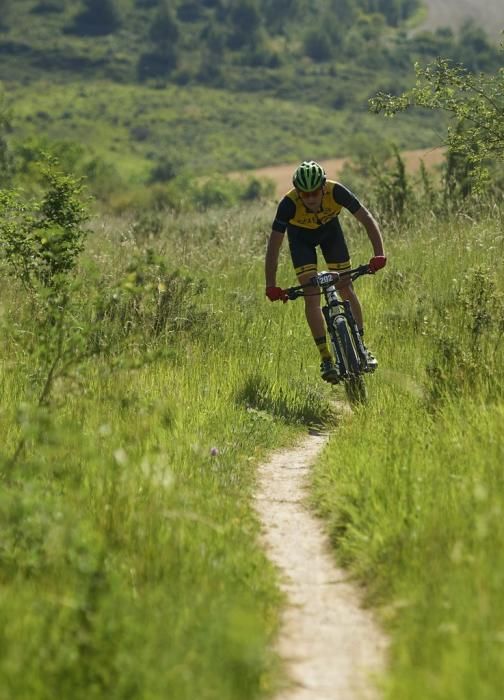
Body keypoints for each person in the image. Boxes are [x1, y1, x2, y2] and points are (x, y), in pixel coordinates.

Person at [265, 159, 386, 383]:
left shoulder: (336, 191)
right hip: (301, 240)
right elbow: (274, 246)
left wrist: (379, 254)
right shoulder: (288, 204)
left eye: (314, 193)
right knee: (311, 297)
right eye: (305, 194)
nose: (310, 198)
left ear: (322, 188)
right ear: (298, 193)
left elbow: (366, 219)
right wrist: (270, 285)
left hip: (331, 234)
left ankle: (361, 346)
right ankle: (326, 358)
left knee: (346, 288)